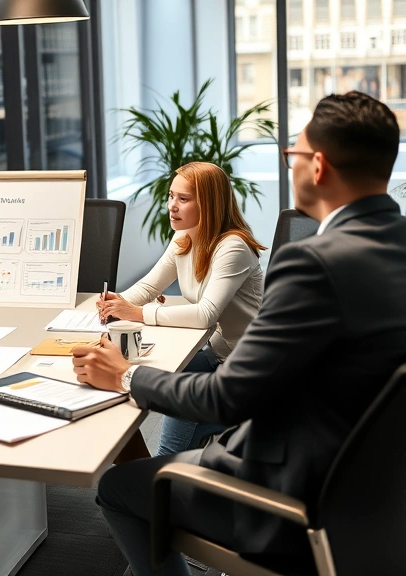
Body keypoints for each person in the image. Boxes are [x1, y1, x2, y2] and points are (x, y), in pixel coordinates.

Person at [73, 91, 406, 575]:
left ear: (318, 166)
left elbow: (228, 398)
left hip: (292, 492)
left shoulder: (311, 262)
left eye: (292, 154)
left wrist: (126, 377)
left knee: (119, 488)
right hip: (374, 489)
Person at [97, 161, 266, 456]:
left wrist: (137, 313)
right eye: (171, 196)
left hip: (247, 368)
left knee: (173, 411)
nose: (171, 206)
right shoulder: (184, 237)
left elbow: (205, 315)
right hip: (218, 354)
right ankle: (132, 457)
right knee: (141, 377)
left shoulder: (233, 246)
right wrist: (116, 301)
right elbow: (149, 288)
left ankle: (160, 477)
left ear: (210, 204)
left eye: (183, 199)